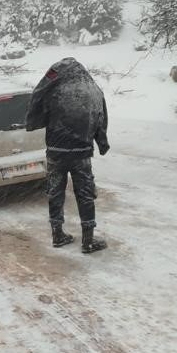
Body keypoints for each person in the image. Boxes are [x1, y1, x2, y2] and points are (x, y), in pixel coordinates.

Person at [25, 57, 109, 254]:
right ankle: (88, 240)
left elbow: (38, 102)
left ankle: (57, 234)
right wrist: (102, 142)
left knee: (55, 192)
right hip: (81, 154)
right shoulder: (93, 91)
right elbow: (100, 118)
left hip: (56, 152)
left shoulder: (54, 91)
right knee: (85, 195)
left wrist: (33, 122)